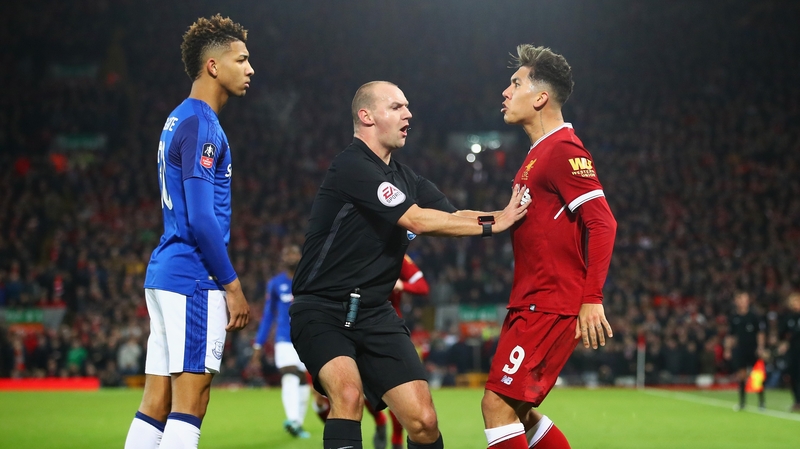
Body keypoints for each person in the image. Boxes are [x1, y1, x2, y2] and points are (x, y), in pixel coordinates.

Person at [289, 80, 529, 449]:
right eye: (397, 107)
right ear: (366, 116)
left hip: (374, 312)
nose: (409, 114)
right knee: (348, 396)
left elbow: (453, 217)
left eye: (407, 107)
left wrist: (504, 213)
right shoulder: (351, 165)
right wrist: (495, 222)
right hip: (322, 309)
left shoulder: (406, 178)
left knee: (423, 421)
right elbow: (417, 220)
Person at [123, 14, 253, 449]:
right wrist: (232, 285)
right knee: (190, 402)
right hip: (193, 278)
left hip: (165, 274)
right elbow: (200, 219)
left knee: (155, 403)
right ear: (213, 65)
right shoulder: (202, 125)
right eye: (242, 59)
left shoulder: (178, 118)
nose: (250, 69)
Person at [480, 44, 618, 449]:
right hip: (531, 299)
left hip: (550, 302)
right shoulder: (536, 154)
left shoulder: (563, 149)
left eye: (515, 83)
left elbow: (603, 221)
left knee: (496, 406)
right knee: (519, 413)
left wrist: (592, 298)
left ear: (540, 97)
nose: (505, 91)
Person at [251, 244, 311, 439]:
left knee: (302, 379)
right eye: (287, 253)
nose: (290, 256)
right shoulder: (276, 284)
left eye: (294, 252)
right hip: (284, 338)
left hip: (308, 338)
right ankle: (293, 419)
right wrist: (258, 344)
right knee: (289, 372)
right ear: (282, 259)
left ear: (300, 256)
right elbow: (268, 315)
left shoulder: (310, 279)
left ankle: (298, 424)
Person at [727, 291, 766, 411]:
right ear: (736, 302)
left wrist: (760, 347)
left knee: (757, 376)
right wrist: (727, 349)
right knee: (741, 375)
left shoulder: (754, 316)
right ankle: (742, 402)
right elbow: (731, 335)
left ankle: (761, 402)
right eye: (740, 299)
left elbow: (760, 333)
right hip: (740, 349)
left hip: (753, 349)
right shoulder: (734, 317)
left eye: (744, 299)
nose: (742, 302)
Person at [780, 292, 800, 412]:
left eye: (797, 302)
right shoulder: (788, 318)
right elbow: (782, 334)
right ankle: (797, 401)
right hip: (793, 352)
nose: (795, 305)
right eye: (793, 303)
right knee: (793, 377)